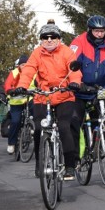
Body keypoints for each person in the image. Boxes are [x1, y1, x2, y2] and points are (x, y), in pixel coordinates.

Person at [12, 24, 82, 179]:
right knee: (38, 129)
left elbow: (74, 71)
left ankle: (70, 165)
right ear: (41, 40)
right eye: (45, 37)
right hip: (43, 96)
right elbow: (29, 69)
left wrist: (75, 83)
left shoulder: (67, 52)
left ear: (59, 39)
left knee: (64, 126)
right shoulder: (37, 53)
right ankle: (40, 162)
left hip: (64, 95)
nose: (49, 40)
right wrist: (22, 86)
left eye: (53, 37)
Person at [70, 15, 105, 159]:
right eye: (96, 31)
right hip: (82, 88)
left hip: (102, 87)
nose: (100, 34)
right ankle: (76, 154)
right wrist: (76, 83)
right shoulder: (79, 42)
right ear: (89, 30)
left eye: (102, 31)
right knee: (76, 120)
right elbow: (71, 64)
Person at [3, 54, 34, 154]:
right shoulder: (14, 73)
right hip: (16, 101)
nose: (24, 66)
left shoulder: (33, 73)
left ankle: (32, 128)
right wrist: (10, 91)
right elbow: (7, 85)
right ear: (19, 66)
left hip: (29, 99)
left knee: (36, 109)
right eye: (22, 64)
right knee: (15, 121)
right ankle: (11, 144)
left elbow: (39, 83)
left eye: (26, 64)